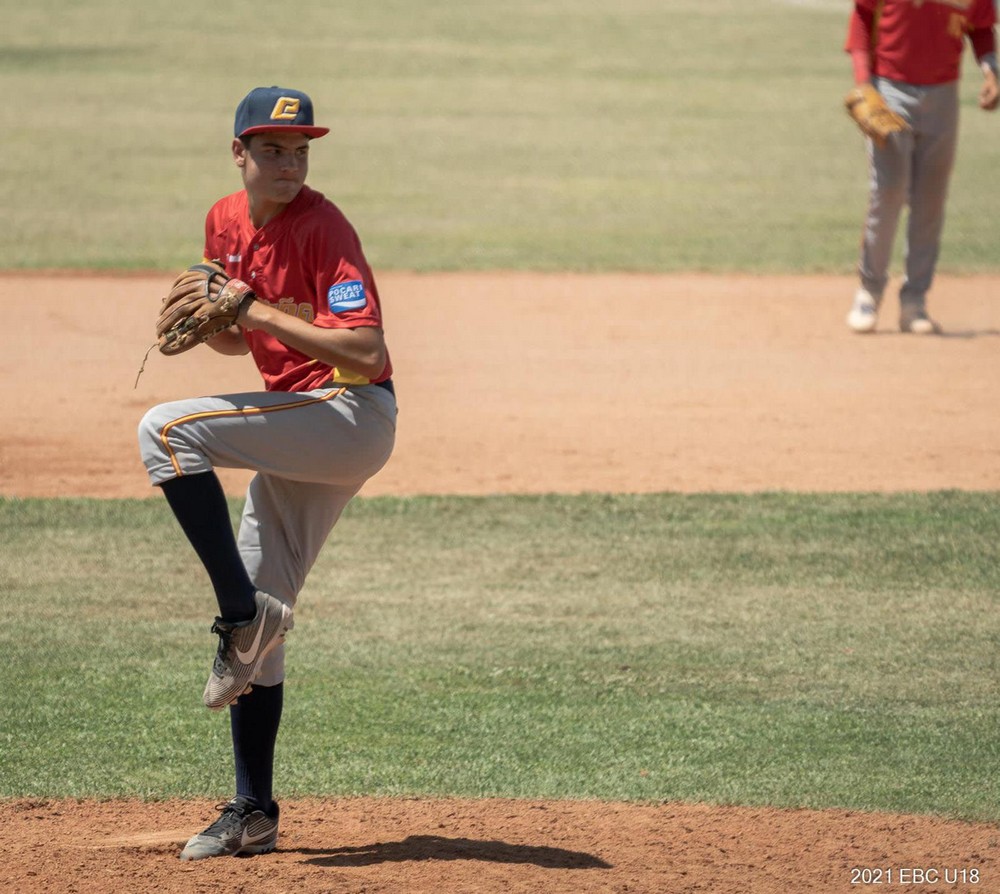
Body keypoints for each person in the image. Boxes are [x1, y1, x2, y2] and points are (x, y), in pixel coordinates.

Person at [137, 86, 397, 860]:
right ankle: (254, 811)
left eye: (301, 149)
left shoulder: (324, 225)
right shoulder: (225, 221)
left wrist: (251, 313)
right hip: (296, 430)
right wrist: (221, 322)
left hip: (348, 417)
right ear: (240, 154)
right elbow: (235, 341)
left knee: (166, 431)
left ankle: (237, 617)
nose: (290, 162)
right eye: (274, 148)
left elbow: (367, 351)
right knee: (267, 617)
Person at [844, 0, 998, 335]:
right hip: (889, 90)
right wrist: (863, 82)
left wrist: (991, 70)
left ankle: (915, 302)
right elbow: (862, 17)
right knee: (888, 190)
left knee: (930, 200)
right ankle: (869, 292)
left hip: (943, 96)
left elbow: (982, 27)